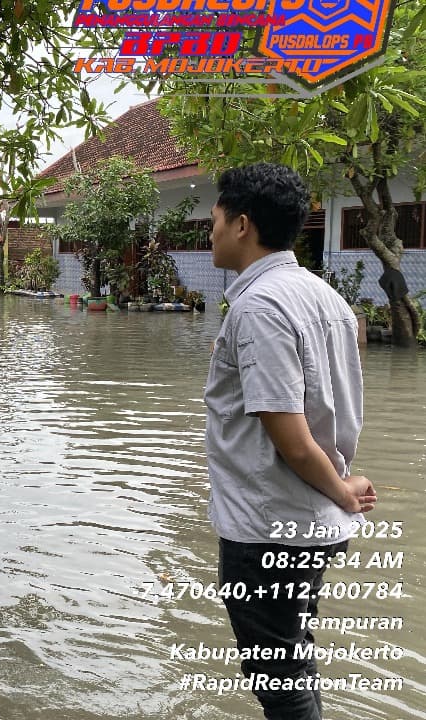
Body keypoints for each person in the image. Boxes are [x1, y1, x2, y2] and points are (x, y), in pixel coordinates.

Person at [204, 163, 377, 719]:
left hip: (268, 526)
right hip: (307, 521)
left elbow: (293, 439)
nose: (209, 234)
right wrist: (340, 485)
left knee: (279, 677)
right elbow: (334, 400)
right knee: (291, 661)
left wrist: (345, 493)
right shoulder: (326, 299)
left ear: (242, 225)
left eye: (214, 221)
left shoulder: (260, 307)